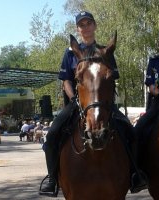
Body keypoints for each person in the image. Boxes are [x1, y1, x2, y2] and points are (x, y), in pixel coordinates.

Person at [39, 11, 147, 196]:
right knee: (52, 136)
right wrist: (74, 97)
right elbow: (66, 80)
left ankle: (135, 174)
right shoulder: (70, 53)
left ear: (94, 26)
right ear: (78, 29)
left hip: (104, 103)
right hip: (78, 103)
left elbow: (112, 79)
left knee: (131, 132)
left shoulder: (106, 51)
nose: (85, 27)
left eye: (88, 23)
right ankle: (52, 179)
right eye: (82, 25)